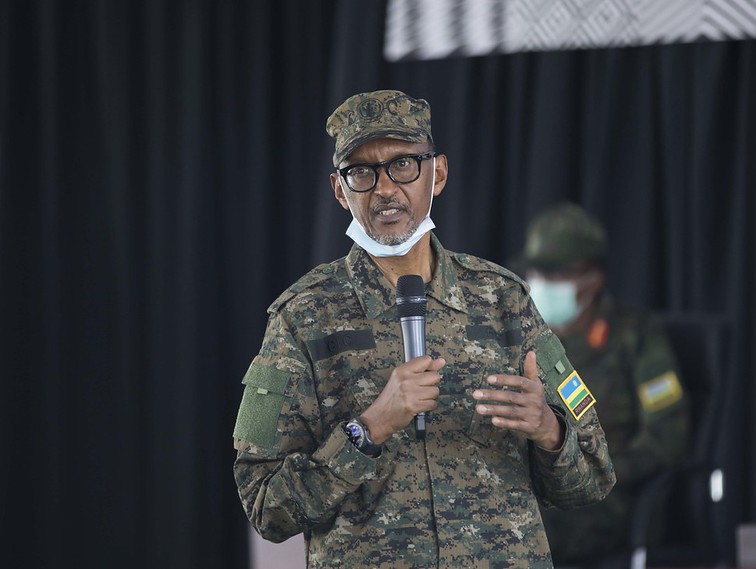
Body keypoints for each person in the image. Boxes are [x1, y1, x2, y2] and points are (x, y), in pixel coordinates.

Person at [232, 90, 616, 569]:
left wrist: (549, 429)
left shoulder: (504, 300)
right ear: (339, 190)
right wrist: (368, 428)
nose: (385, 188)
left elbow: (595, 476)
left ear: (438, 173)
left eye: (404, 166)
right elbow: (264, 505)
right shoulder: (302, 316)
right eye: (362, 173)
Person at [515, 202, 690, 566]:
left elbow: (666, 436)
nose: (542, 283)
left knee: (519, 528)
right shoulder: (522, 335)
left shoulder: (635, 337)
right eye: (537, 272)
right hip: (534, 486)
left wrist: (588, 471)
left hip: (607, 500)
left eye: (557, 274)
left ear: (591, 277)